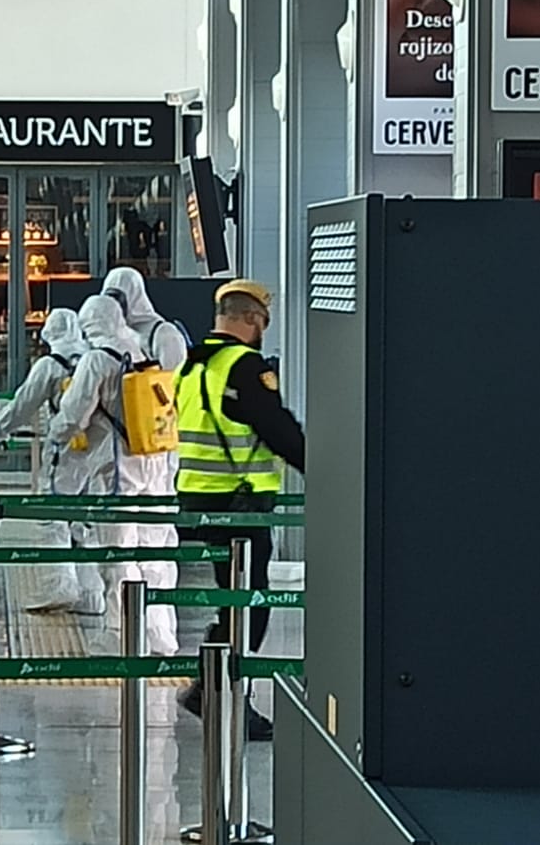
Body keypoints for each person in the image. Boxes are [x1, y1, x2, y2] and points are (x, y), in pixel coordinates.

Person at [174, 280, 304, 741]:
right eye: (262, 323)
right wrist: (324, 471)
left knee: (233, 602)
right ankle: (225, 694)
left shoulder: (191, 364)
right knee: (252, 604)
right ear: (251, 319)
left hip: (197, 498)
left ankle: (210, 687)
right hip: (240, 503)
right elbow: (278, 430)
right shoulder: (244, 367)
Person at [46, 295, 179, 655]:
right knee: (154, 552)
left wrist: (55, 432)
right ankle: (160, 633)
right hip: (154, 463)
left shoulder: (97, 361)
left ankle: (120, 634)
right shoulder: (141, 351)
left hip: (118, 472)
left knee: (118, 553)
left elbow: (74, 416)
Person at [0, 308, 106, 615]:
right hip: (98, 454)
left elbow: (24, 403)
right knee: (85, 524)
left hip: (64, 450)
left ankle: (59, 586)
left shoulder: (51, 365)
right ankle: (93, 595)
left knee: (53, 517)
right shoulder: (95, 359)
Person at [103, 267, 186, 648]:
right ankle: (139, 633)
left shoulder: (160, 335)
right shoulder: (130, 338)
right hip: (138, 454)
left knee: (150, 545)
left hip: (149, 457)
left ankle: (155, 633)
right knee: (131, 543)